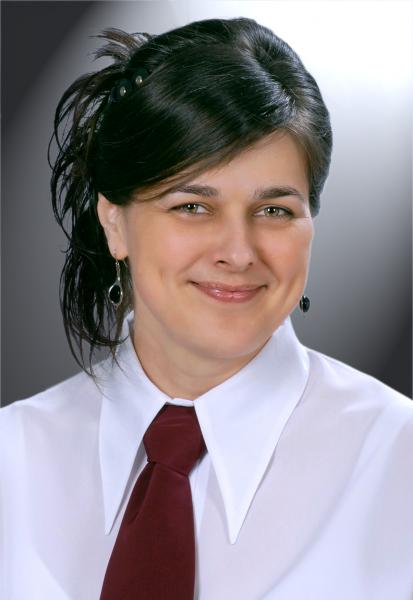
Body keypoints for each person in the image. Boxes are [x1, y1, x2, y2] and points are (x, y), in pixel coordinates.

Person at [1, 16, 412, 600]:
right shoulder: (10, 459)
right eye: (192, 206)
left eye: (274, 211)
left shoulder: (399, 460)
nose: (239, 253)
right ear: (114, 221)